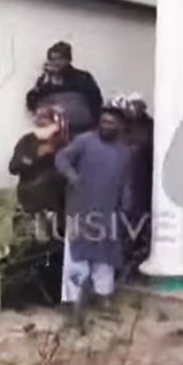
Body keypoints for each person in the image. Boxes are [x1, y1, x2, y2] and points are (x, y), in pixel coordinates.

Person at [55, 104, 132, 330]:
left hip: (109, 213)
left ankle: (103, 297)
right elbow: (61, 158)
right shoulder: (84, 141)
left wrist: (126, 203)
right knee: (76, 259)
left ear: (119, 126)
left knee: (105, 259)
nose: (107, 126)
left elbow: (126, 182)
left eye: (112, 123)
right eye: (104, 121)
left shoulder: (124, 151)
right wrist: (72, 176)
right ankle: (72, 304)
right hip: (80, 210)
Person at [9, 105, 68, 235]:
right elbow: (14, 166)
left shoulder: (62, 143)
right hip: (31, 196)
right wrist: (36, 155)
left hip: (57, 202)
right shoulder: (27, 141)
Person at [26, 41, 103, 136]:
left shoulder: (82, 77)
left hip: (81, 131)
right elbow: (32, 104)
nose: (56, 63)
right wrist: (43, 85)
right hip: (54, 133)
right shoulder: (45, 80)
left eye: (60, 59)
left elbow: (96, 102)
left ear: (68, 59)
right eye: (52, 59)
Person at [122, 94, 154, 278]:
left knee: (139, 223)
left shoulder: (149, 128)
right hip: (122, 184)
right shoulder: (122, 127)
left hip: (142, 182)